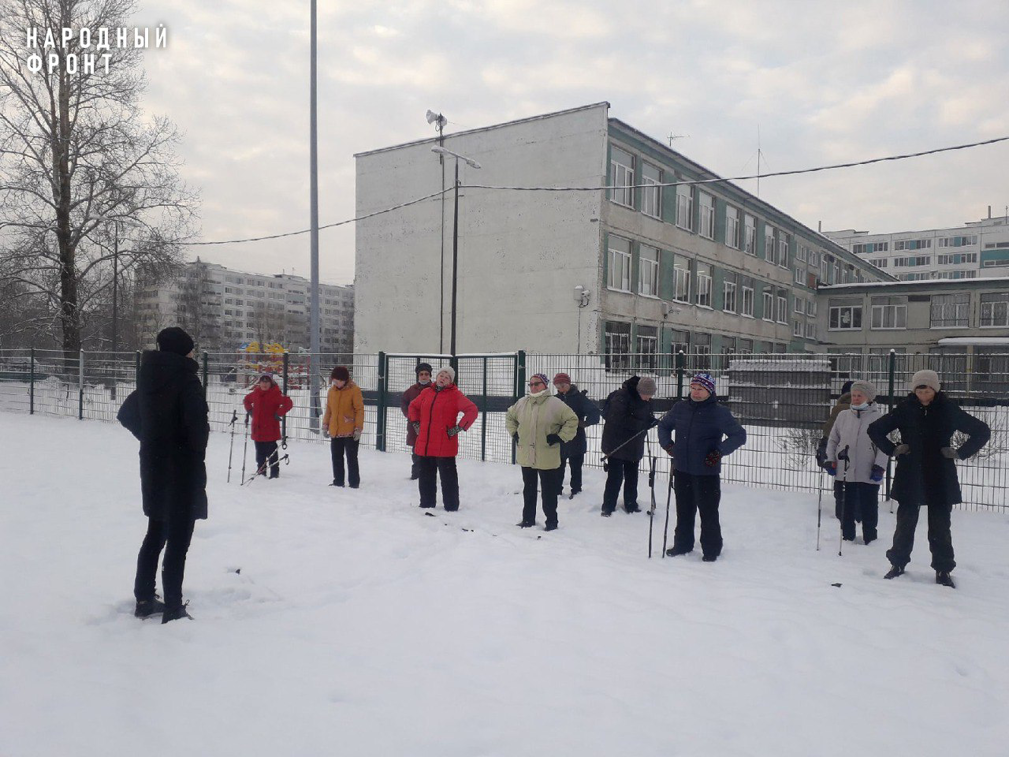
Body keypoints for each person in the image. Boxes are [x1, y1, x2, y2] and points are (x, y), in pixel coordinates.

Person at [117, 327, 209, 623]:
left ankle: (144, 599)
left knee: (156, 533)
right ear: (183, 351)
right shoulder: (186, 379)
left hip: (154, 467)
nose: (193, 353)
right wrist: (186, 448)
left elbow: (127, 414)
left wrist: (153, 439)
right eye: (191, 348)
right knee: (179, 539)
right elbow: (197, 430)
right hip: (182, 470)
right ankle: (173, 608)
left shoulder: (148, 376)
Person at [868, 369, 989, 588]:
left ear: (936, 389)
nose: (924, 392)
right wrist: (893, 449)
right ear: (914, 390)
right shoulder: (905, 409)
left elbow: (981, 431)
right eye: (920, 388)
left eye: (928, 388)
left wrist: (960, 452)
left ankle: (943, 569)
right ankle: (897, 563)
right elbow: (875, 429)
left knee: (940, 526)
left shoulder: (948, 409)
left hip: (939, 475)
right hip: (910, 473)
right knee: (905, 523)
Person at [657, 372, 746, 562]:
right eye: (693, 388)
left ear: (710, 391)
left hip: (706, 471)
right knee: (684, 510)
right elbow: (663, 426)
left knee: (708, 512)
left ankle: (711, 549)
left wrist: (719, 451)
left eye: (701, 389)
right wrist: (668, 445)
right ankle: (683, 544)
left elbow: (739, 435)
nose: (696, 393)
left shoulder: (719, 413)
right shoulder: (680, 408)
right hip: (682, 469)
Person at [505, 373, 579, 530]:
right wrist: (514, 432)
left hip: (547, 455)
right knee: (529, 490)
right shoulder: (522, 403)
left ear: (545, 385)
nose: (533, 387)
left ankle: (551, 522)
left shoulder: (555, 404)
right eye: (531, 384)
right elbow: (510, 416)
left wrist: (560, 437)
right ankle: (527, 520)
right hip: (527, 455)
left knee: (549, 493)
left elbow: (572, 420)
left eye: (537, 384)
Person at [824, 379, 887, 544]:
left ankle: (870, 539)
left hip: (868, 472)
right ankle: (847, 538)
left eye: (860, 395)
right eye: (854, 395)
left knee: (869, 508)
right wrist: (830, 459)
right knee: (846, 508)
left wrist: (879, 466)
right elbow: (833, 440)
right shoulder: (843, 416)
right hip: (844, 471)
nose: (856, 398)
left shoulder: (878, 418)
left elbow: (884, 447)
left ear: (869, 398)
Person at [408, 366, 478, 511]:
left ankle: (451, 506)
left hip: (445, 444)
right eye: (441, 375)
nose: (443, 378)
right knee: (426, 476)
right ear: (437, 377)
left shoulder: (455, 395)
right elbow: (413, 406)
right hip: (425, 443)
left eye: (447, 377)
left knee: (448, 478)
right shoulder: (426, 392)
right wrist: (416, 424)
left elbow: (472, 410)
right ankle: (426, 504)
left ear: (450, 381)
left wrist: (458, 428)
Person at [599, 375, 656, 516]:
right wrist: (641, 425)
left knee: (632, 476)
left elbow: (646, 416)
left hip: (634, 444)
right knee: (615, 476)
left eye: (651, 395)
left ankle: (631, 504)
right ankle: (608, 506)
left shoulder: (645, 400)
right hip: (616, 443)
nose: (648, 398)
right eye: (646, 395)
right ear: (639, 391)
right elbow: (617, 418)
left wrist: (651, 421)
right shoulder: (621, 397)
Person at [552, 372, 601, 498]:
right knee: (558, 467)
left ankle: (576, 490)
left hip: (576, 438)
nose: (560, 389)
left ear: (568, 384)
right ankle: (556, 490)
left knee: (576, 467)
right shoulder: (555, 400)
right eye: (557, 387)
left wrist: (584, 423)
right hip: (560, 438)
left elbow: (594, 413)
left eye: (562, 386)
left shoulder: (579, 398)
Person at [817, 380, 857, 522]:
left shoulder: (838, 408)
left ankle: (842, 513)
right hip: (859, 453)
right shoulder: (864, 407)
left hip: (840, 453)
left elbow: (828, 431)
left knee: (841, 484)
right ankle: (857, 514)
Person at [243, 372, 293, 479]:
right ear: (259, 383)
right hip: (258, 429)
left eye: (267, 382)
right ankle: (261, 471)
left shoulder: (276, 394)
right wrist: (250, 411)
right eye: (262, 382)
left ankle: (274, 473)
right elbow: (246, 400)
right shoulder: (255, 393)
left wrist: (279, 412)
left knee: (272, 453)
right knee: (259, 453)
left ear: (271, 383)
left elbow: (288, 403)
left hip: (270, 429)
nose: (264, 384)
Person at [322, 365, 364, 488]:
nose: (336, 383)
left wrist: (358, 428)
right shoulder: (331, 391)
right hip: (335, 430)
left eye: (338, 380)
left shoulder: (354, 390)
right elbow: (329, 409)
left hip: (350, 430)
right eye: (334, 380)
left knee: (351, 458)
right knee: (336, 457)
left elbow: (359, 410)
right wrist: (325, 425)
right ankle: (338, 481)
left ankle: (354, 482)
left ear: (345, 380)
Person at [400, 362, 433, 480]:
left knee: (430, 452)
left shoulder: (435, 389)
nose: (424, 376)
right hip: (415, 427)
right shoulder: (411, 390)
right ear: (418, 376)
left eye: (426, 374)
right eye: (421, 374)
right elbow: (404, 403)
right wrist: (409, 416)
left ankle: (429, 475)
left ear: (430, 376)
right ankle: (416, 475)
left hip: (430, 426)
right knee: (416, 451)